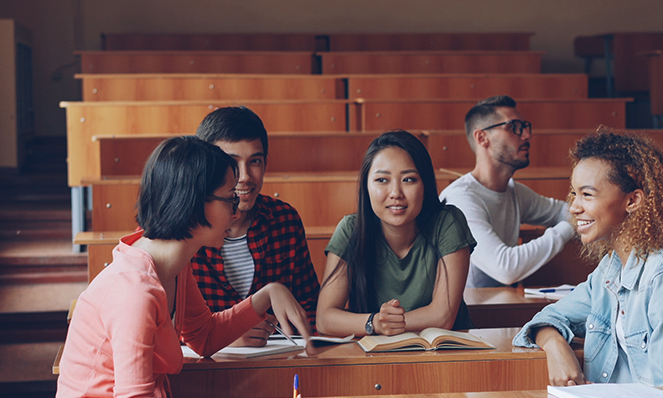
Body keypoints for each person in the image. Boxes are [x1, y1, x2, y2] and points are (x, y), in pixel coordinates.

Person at [55, 136, 313, 398]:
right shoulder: (135, 292)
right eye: (229, 199)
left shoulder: (174, 262)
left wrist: (265, 295)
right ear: (194, 204)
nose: (237, 209)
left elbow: (203, 337)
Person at [514, 129, 663, 387]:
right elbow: (547, 318)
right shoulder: (611, 267)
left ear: (633, 201)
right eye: (574, 193)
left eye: (587, 194)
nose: (574, 207)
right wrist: (554, 345)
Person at [316, 130, 476, 337]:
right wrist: (374, 322)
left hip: (446, 353)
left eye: (408, 180)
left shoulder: (448, 223)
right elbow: (325, 319)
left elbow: (442, 316)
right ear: (366, 186)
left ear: (425, 185)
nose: (395, 193)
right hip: (376, 355)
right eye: (382, 180)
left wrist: (386, 324)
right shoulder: (350, 229)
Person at [192, 106, 320, 345]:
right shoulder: (186, 229)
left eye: (255, 161)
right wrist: (226, 335)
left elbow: (310, 308)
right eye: (231, 162)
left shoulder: (285, 220)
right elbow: (164, 327)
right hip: (206, 369)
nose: (244, 176)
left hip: (279, 361)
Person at [440, 95, 574, 287]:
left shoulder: (514, 192)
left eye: (525, 127)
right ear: (482, 137)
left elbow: (567, 211)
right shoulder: (460, 200)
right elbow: (506, 269)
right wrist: (572, 226)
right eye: (514, 127)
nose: (526, 135)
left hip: (499, 307)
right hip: (469, 313)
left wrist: (581, 217)